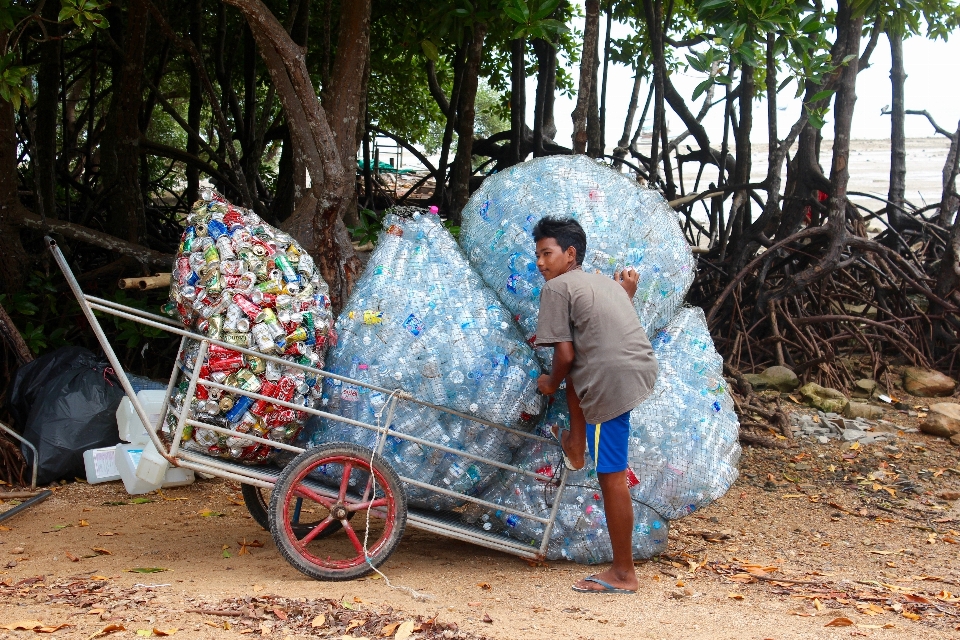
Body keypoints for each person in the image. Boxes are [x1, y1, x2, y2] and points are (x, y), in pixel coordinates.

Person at [532, 216, 658, 594]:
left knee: (611, 474)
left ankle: (623, 574)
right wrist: (628, 292)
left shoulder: (555, 290)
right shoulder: (603, 282)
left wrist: (549, 382)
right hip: (638, 366)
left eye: (547, 253)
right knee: (577, 374)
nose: (540, 263)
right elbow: (603, 318)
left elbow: (565, 357)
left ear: (570, 255)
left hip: (611, 379)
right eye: (536, 255)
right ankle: (575, 442)